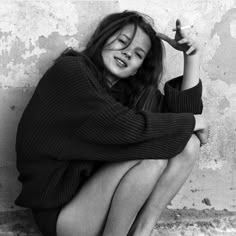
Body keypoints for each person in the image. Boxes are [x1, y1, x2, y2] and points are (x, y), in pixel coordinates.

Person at [15, 10, 209, 236]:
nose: (127, 53)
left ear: (139, 68)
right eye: (122, 42)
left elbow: (183, 131)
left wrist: (191, 59)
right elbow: (126, 127)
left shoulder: (127, 93)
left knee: (189, 145)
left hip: (102, 206)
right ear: (103, 38)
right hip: (64, 217)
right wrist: (193, 121)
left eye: (138, 54)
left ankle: (141, 231)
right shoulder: (70, 72)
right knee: (150, 159)